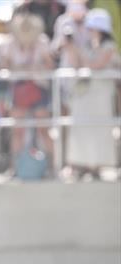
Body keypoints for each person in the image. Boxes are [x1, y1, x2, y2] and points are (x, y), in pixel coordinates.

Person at [62, 8, 120, 177]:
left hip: (101, 94)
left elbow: (96, 65)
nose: (88, 31)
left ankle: (98, 165)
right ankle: (83, 164)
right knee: (82, 127)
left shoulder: (109, 46)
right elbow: (78, 65)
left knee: (99, 129)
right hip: (85, 93)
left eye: (91, 27)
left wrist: (78, 52)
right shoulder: (87, 46)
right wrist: (71, 49)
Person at [1, 12, 54, 173]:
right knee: (17, 131)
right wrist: (22, 69)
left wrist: (35, 68)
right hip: (18, 89)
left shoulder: (42, 42)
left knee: (43, 129)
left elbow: (50, 66)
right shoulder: (10, 44)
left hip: (38, 88)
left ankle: (51, 165)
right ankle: (15, 167)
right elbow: (4, 67)